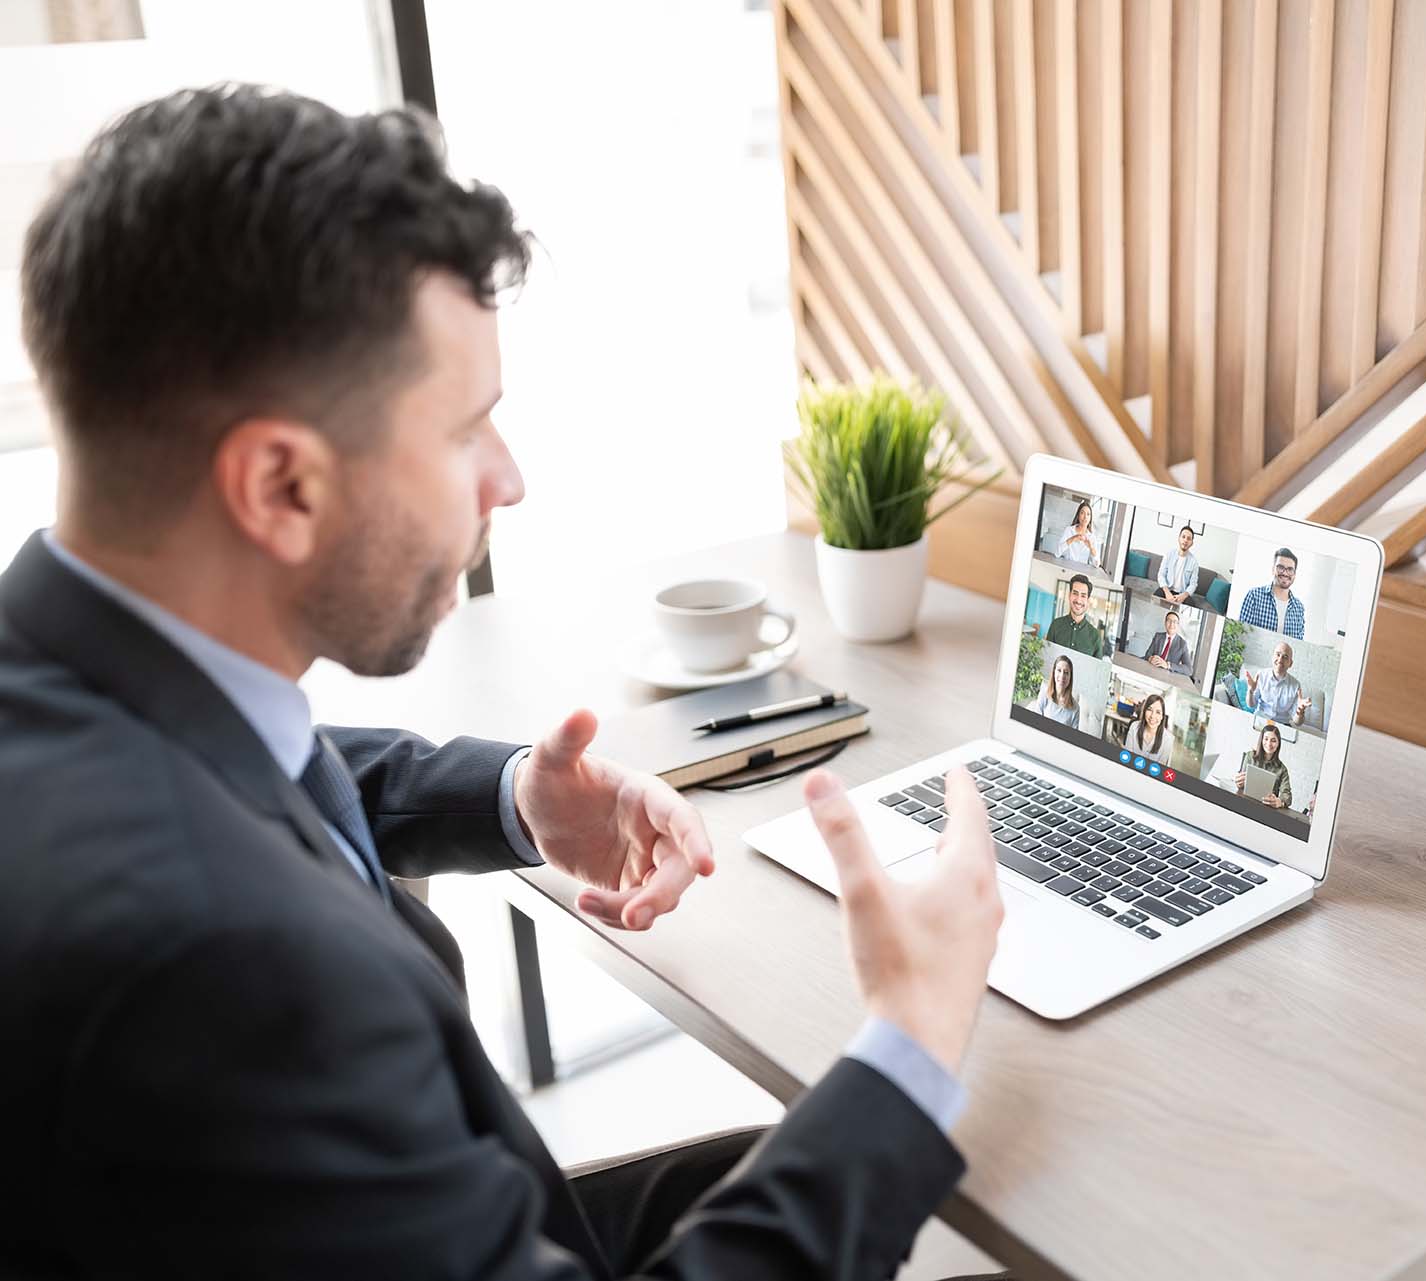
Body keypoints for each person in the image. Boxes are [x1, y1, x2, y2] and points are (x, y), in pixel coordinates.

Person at [0, 86, 1007, 1280]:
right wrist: (911, 1032)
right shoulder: (224, 974)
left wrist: (517, 800)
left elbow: (256, 772)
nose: (510, 479)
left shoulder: (66, 674)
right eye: (467, 427)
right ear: (280, 487)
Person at [1237, 546, 1308, 639]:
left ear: (1294, 574)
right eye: (1280, 567)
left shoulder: (1299, 608)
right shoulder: (1254, 596)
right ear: (1273, 569)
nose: (1285, 573)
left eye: (1290, 569)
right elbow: (1242, 635)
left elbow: (1299, 642)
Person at [1243, 641, 1312, 726]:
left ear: (1290, 663)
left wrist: (1300, 712)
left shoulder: (1296, 685)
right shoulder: (1261, 675)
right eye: (1278, 654)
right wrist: (1250, 691)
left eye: (1285, 657)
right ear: (1272, 657)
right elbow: (1251, 705)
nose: (1280, 660)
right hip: (1261, 719)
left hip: (1282, 724)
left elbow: (1297, 722)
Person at [1234, 722, 1294, 809]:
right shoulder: (1250, 756)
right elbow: (1241, 784)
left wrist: (1280, 802)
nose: (1269, 744)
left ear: (1278, 744)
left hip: (1266, 808)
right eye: (1266, 739)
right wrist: (1239, 783)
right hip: (1245, 802)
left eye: (1273, 741)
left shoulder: (1282, 769)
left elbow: (1287, 796)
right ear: (1261, 740)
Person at [1044, 573, 1104, 656]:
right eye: (1075, 593)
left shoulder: (1095, 636)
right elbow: (1047, 657)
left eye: (1083, 596)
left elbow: (1097, 668)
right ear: (1069, 595)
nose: (1078, 600)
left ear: (1088, 600)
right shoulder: (1055, 625)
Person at [1030, 652, 1080, 727]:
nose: (1062, 676)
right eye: (1059, 670)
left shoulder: (1075, 708)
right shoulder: (1044, 694)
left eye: (1066, 673)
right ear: (1054, 672)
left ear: (1070, 677)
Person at [1154, 524, 1199, 606]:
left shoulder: (1194, 562)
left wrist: (1183, 596)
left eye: (1189, 539)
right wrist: (1167, 592)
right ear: (1179, 538)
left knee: (1192, 604)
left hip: (1182, 593)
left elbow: (1193, 584)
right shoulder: (1169, 554)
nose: (1185, 540)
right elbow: (1161, 575)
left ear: (1192, 543)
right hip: (1167, 589)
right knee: (1154, 599)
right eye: (1183, 537)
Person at [1124, 692, 1171, 765]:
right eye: (1149, 709)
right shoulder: (1134, 727)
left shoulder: (1167, 739)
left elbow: (1161, 767)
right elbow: (1127, 756)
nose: (1152, 716)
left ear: (1162, 716)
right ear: (1144, 711)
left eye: (1158, 712)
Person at [1143, 607, 1190, 677]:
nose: (1171, 624)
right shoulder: (1158, 636)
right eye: (1169, 621)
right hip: (1152, 671)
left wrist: (1167, 665)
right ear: (1165, 623)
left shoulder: (1182, 644)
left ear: (1178, 625)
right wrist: (1150, 658)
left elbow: (1189, 669)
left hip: (1168, 675)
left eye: (1174, 622)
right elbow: (1148, 654)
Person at [1053, 499, 1099, 565]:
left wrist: (1091, 547)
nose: (1085, 517)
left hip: (1081, 573)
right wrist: (1073, 538)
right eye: (1082, 513)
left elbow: (1096, 564)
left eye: (1088, 514)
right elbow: (1057, 553)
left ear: (1090, 518)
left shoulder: (1092, 537)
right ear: (1078, 515)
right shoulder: (1069, 530)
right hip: (1066, 569)